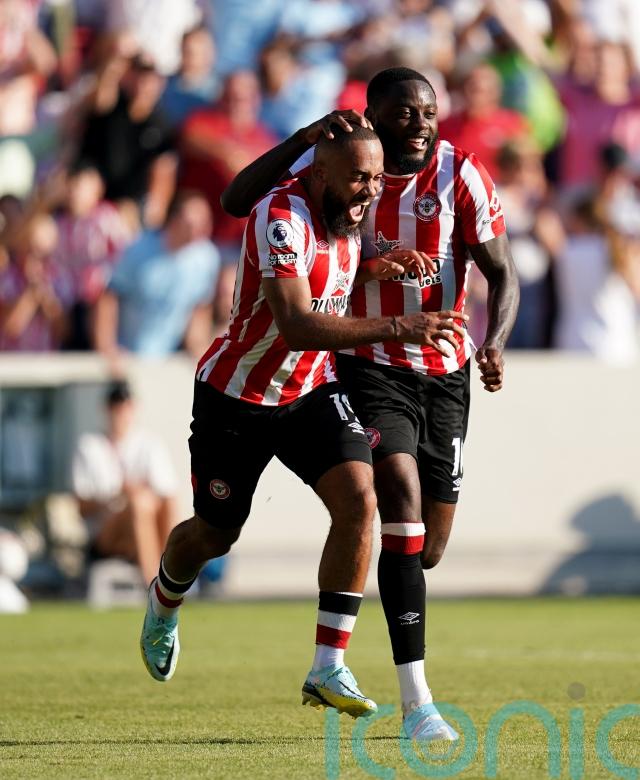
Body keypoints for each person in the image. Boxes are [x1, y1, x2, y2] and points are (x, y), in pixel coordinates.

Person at [221, 67, 519, 742]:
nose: (420, 124)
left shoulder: (461, 175)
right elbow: (239, 199)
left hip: (445, 374)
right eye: (405, 113)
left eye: (428, 112)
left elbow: (503, 270)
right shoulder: (342, 163)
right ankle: (418, 704)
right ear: (373, 117)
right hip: (369, 365)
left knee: (425, 548)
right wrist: (304, 139)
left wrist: (495, 343)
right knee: (397, 499)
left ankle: (360, 648)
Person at [139, 124, 468, 722]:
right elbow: (296, 323)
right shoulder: (281, 215)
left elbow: (329, 280)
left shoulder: (346, 214)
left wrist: (375, 270)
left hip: (312, 391)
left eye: (376, 178)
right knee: (214, 535)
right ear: (320, 173)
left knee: (360, 500)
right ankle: (164, 600)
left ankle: (327, 665)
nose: (371, 190)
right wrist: (401, 326)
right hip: (237, 397)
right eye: (360, 177)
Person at [72, 380, 179, 586]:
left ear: (134, 408)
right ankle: (156, 582)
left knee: (150, 502)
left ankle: (171, 571)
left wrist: (136, 494)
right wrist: (116, 496)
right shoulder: (90, 446)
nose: (120, 413)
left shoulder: (150, 443)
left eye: (125, 406)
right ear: (106, 409)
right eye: (116, 407)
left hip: (147, 523)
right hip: (105, 534)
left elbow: (167, 495)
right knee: (139, 504)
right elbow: (81, 506)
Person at [93, 191, 220, 359]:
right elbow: (109, 296)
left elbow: (200, 306)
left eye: (205, 222)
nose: (201, 229)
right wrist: (107, 346)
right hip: (126, 356)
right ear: (173, 220)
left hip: (169, 359)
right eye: (192, 223)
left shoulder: (208, 258)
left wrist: (197, 345)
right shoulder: (138, 249)